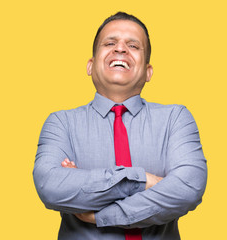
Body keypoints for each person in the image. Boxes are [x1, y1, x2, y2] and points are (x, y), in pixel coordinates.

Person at [33, 12, 207, 239]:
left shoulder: (176, 118)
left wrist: (99, 214)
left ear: (147, 72)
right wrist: (143, 180)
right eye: (110, 43)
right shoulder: (60, 123)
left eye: (133, 45)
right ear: (90, 66)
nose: (120, 49)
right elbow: (51, 186)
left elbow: (187, 189)